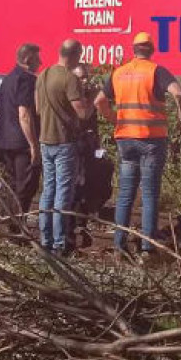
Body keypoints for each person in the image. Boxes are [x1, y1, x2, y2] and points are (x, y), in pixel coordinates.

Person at [97, 32, 181, 259]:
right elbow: (178, 93)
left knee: (125, 193)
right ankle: (147, 247)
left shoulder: (118, 73)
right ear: (152, 49)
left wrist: (114, 119)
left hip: (125, 140)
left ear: (134, 49)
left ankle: (119, 245)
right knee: (149, 194)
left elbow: (99, 100)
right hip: (150, 139)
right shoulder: (156, 71)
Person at [35, 39, 91, 255]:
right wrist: (93, 98)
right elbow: (83, 113)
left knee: (47, 190)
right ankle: (59, 243)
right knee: (63, 194)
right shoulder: (70, 79)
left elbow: (38, 109)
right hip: (63, 143)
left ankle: (45, 238)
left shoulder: (43, 75)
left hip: (44, 140)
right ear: (75, 55)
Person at [0, 43, 42, 237]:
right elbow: (24, 114)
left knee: (12, 184)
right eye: (38, 58)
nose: (40, 62)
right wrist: (33, 146)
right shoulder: (26, 80)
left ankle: (7, 223)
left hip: (3, 141)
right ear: (28, 59)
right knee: (25, 186)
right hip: (21, 142)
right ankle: (17, 229)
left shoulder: (7, 79)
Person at [70, 63, 114, 248]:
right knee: (78, 184)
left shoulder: (89, 94)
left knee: (103, 174)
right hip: (74, 146)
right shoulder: (72, 95)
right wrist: (94, 98)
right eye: (80, 77)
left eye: (86, 76)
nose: (85, 80)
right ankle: (76, 224)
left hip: (90, 144)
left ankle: (90, 213)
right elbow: (82, 115)